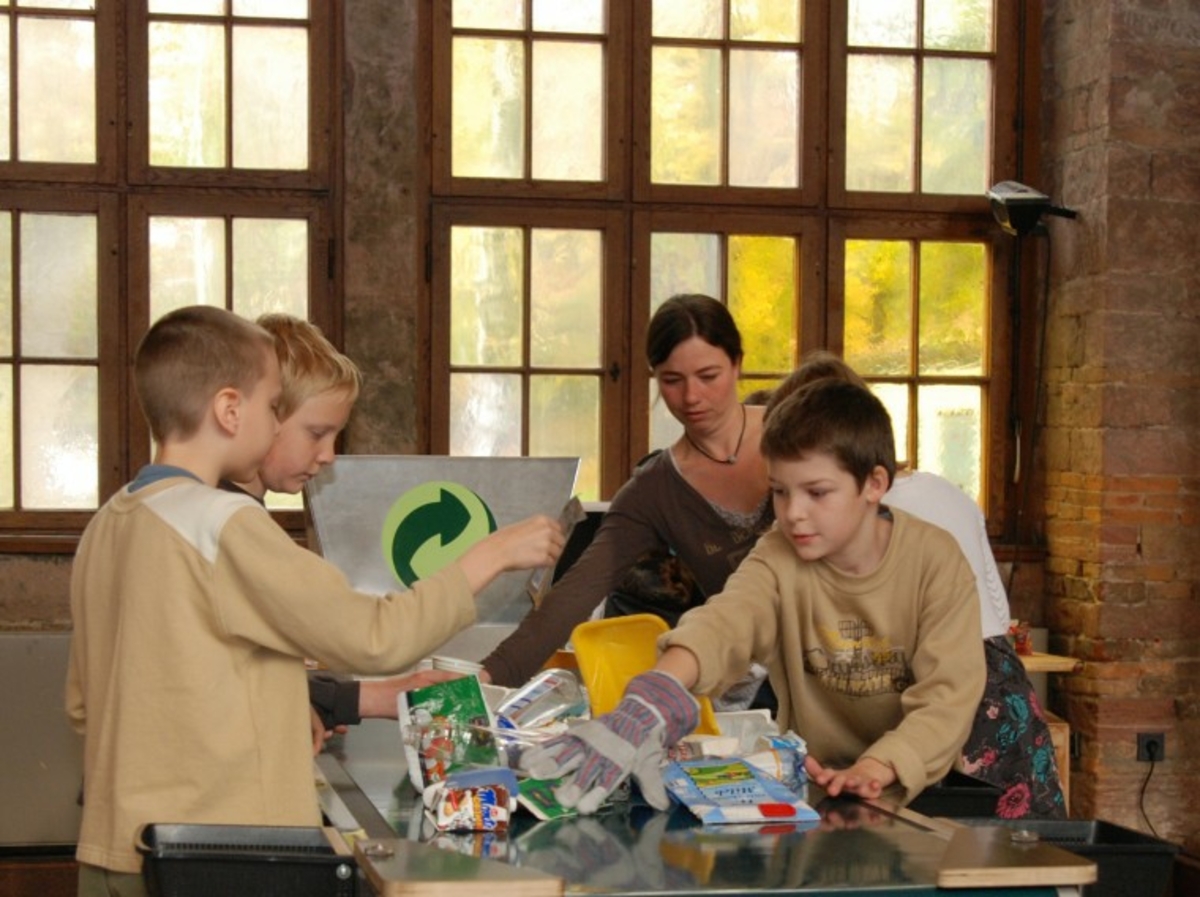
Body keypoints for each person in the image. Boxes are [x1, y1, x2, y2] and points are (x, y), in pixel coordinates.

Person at [66, 305, 564, 894]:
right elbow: (375, 637)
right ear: (230, 410)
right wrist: (491, 554)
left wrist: (276, 708)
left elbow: (88, 704)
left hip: (114, 853)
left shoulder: (111, 521)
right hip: (217, 858)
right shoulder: (221, 524)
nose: (284, 426)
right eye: (275, 407)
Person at [521, 377, 986, 815]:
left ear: (874, 484)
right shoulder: (780, 554)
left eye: (817, 492)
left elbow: (947, 699)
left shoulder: (936, 561)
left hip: (916, 790)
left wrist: (878, 767)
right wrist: (653, 694)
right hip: (814, 785)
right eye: (780, 492)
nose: (794, 514)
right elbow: (727, 621)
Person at [764, 351, 1066, 819]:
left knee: (939, 858)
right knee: (1026, 862)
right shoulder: (943, 489)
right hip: (1004, 687)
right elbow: (997, 608)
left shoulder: (864, 521)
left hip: (938, 698)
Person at [480, 294, 775, 710]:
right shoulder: (655, 489)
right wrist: (485, 677)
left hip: (850, 654)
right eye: (672, 380)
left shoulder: (795, 433)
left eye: (709, 375)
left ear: (738, 363)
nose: (692, 396)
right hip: (749, 678)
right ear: (654, 377)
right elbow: (571, 598)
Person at [223, 313, 457, 753]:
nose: (328, 455)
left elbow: (240, 670)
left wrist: (343, 699)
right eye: (316, 433)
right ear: (263, 415)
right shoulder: (230, 527)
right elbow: (375, 637)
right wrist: (493, 557)